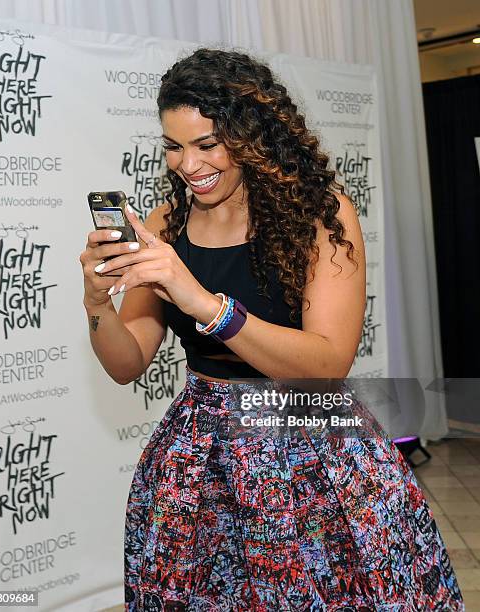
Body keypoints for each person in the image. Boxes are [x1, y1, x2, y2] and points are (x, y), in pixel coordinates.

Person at [79, 49, 464, 611]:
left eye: (207, 144)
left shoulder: (321, 213)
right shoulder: (168, 223)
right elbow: (125, 363)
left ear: (253, 134)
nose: (189, 164)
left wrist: (203, 302)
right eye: (174, 146)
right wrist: (97, 305)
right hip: (200, 455)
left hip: (311, 445)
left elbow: (327, 365)